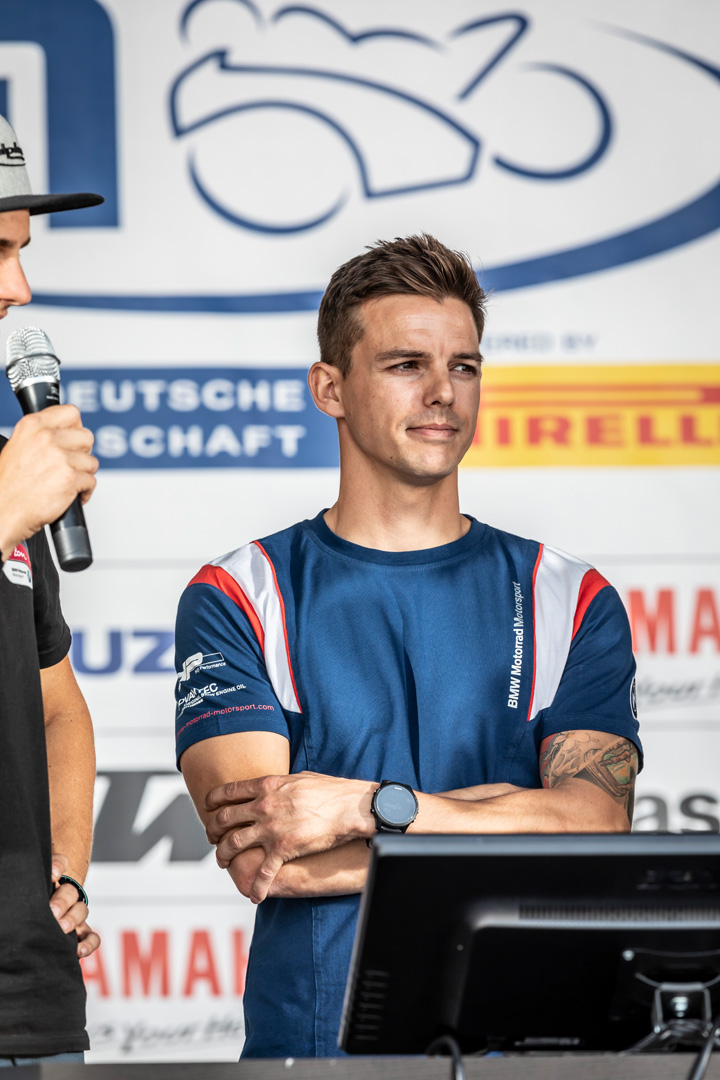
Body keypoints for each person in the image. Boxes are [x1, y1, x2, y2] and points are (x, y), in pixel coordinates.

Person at [174, 234, 641, 1058]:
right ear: (330, 388)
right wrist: (511, 825)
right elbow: (272, 861)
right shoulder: (241, 593)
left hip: (529, 1049)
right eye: (404, 365)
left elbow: (596, 830)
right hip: (319, 1052)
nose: (442, 393)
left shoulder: (569, 595)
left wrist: (370, 808)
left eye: (464, 366)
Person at [0, 113, 102, 1064]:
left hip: (28, 996)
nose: (19, 288)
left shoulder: (8, 472)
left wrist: (62, 868)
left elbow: (58, 707)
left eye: (21, 251)